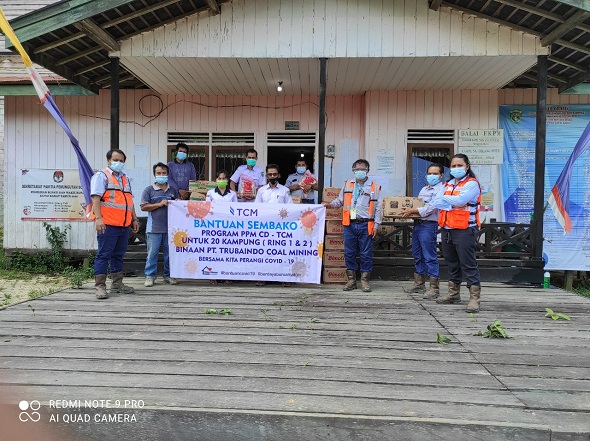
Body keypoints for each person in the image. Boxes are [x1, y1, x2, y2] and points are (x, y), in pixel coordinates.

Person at [432, 153, 482, 313]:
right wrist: (451, 201)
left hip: (465, 229)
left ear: (467, 166)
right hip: (447, 229)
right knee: (452, 262)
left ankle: (474, 299)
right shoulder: (448, 184)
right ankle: (453, 294)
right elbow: (437, 202)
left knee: (468, 263)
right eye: (453, 166)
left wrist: (446, 199)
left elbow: (461, 201)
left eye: (459, 165)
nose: (456, 168)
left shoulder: (472, 184)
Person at [323, 159, 382, 292]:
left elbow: (378, 208)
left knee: (366, 254)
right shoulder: (348, 184)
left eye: (363, 169)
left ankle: (365, 281)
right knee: (349, 253)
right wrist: (329, 205)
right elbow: (340, 201)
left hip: (366, 224)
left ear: (367, 170)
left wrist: (376, 225)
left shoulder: (374, 187)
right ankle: (351, 280)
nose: (360, 171)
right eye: (357, 169)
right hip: (349, 224)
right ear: (353, 171)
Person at [91, 149, 140, 300]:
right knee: (104, 254)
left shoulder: (125, 178)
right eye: (115, 160)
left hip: (123, 225)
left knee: (118, 254)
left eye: (121, 160)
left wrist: (134, 219)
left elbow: (129, 201)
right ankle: (100, 286)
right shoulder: (101, 176)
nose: (119, 163)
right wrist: (98, 219)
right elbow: (95, 198)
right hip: (108, 224)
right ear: (108, 161)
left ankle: (117, 283)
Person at [401, 164, 444, 299]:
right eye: (429, 173)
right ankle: (419, 284)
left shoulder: (442, 190)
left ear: (441, 176)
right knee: (417, 254)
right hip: (418, 224)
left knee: (430, 256)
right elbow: (418, 205)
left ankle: (434, 288)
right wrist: (409, 212)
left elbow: (431, 208)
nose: (432, 176)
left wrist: (412, 211)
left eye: (435, 174)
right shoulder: (424, 189)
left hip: (429, 225)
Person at [140, 162, 179, 287]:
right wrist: (159, 204)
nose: (161, 175)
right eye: (159, 173)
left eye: (164, 173)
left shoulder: (173, 190)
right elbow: (143, 207)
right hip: (154, 228)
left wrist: (178, 202)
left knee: (169, 254)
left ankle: (169, 275)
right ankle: (150, 276)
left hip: (171, 229)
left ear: (168, 174)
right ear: (154, 175)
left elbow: (178, 206)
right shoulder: (149, 190)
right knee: (152, 254)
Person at [255, 164, 293, 287]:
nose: (272, 176)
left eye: (274, 174)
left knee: (282, 252)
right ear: (266, 176)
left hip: (281, 228)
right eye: (270, 174)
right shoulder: (261, 191)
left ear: (279, 175)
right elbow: (256, 209)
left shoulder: (285, 190)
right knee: (264, 253)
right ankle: (262, 277)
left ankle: (284, 278)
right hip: (265, 227)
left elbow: (291, 208)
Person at [206, 169, 238, 286]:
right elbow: (207, 208)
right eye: (219, 178)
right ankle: (213, 275)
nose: (221, 180)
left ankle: (227, 275)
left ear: (227, 180)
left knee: (228, 252)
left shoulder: (232, 194)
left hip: (229, 226)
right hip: (214, 226)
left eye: (224, 178)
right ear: (216, 180)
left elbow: (236, 210)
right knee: (214, 251)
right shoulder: (210, 193)